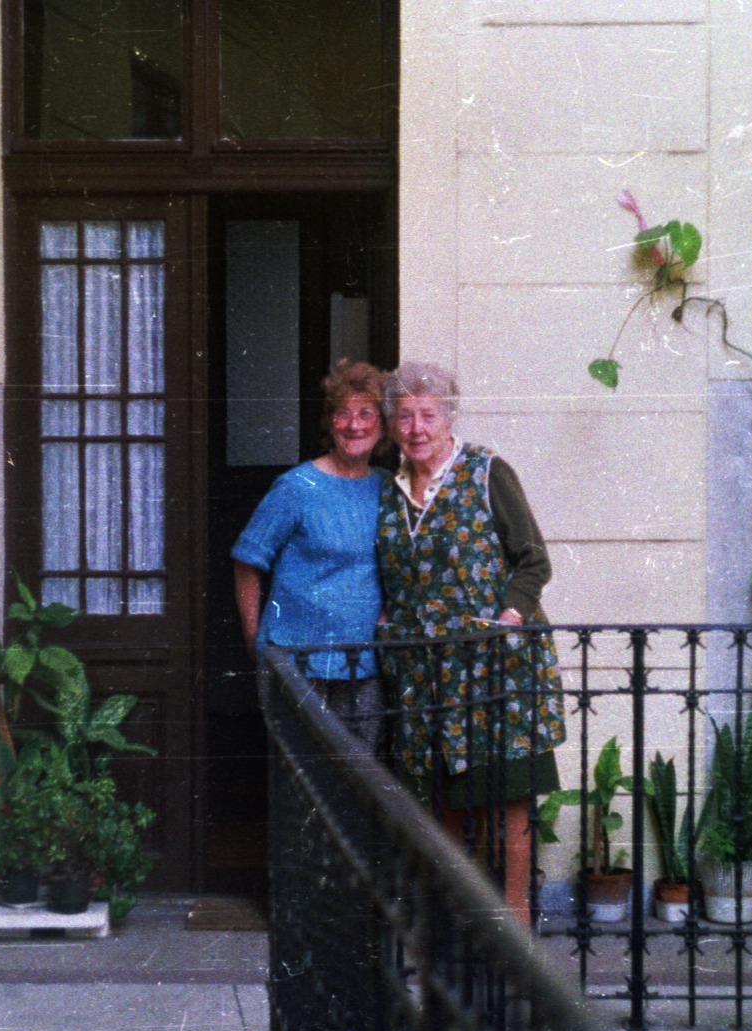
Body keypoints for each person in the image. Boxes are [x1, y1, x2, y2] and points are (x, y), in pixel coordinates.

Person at [375, 361, 565, 921]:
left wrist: (511, 613)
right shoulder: (388, 493)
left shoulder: (486, 471)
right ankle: (454, 927)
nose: (415, 428)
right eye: (404, 417)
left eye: (427, 415)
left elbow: (534, 559)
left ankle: (515, 929)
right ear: (392, 426)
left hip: (494, 665)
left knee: (507, 799)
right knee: (441, 801)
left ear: (448, 416)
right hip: (425, 672)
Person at [232, 360, 389, 747]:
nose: (355, 425)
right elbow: (247, 562)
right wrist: (254, 638)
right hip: (299, 660)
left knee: (357, 776)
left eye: (366, 413)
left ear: (382, 424)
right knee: (302, 781)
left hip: (363, 663)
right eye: (343, 414)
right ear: (329, 422)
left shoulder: (388, 488)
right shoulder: (297, 486)